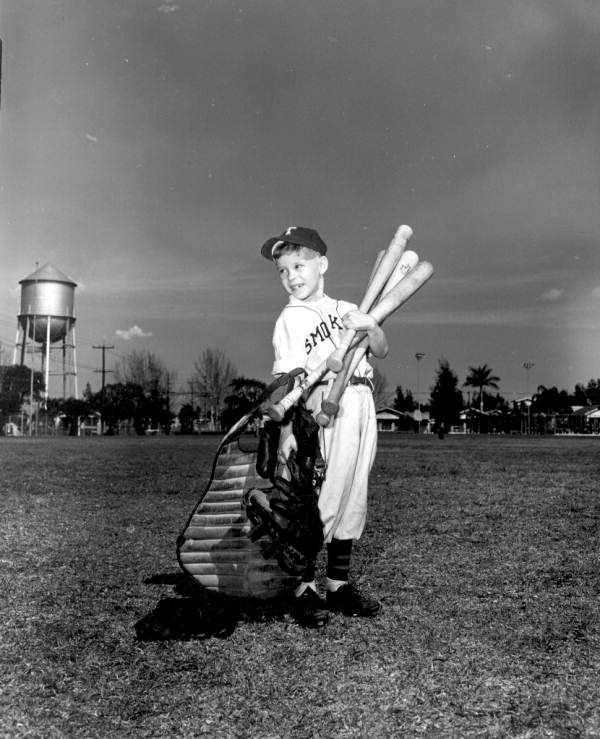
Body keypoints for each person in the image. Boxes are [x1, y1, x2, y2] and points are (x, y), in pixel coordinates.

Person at [260, 225, 388, 628]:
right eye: (283, 270)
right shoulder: (290, 318)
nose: (292, 276)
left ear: (322, 264)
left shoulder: (346, 307)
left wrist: (370, 323)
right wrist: (290, 432)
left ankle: (337, 585)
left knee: (352, 492)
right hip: (321, 412)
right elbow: (288, 381)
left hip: (362, 403)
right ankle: (303, 589)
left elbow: (381, 349)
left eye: (300, 265)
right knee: (318, 500)